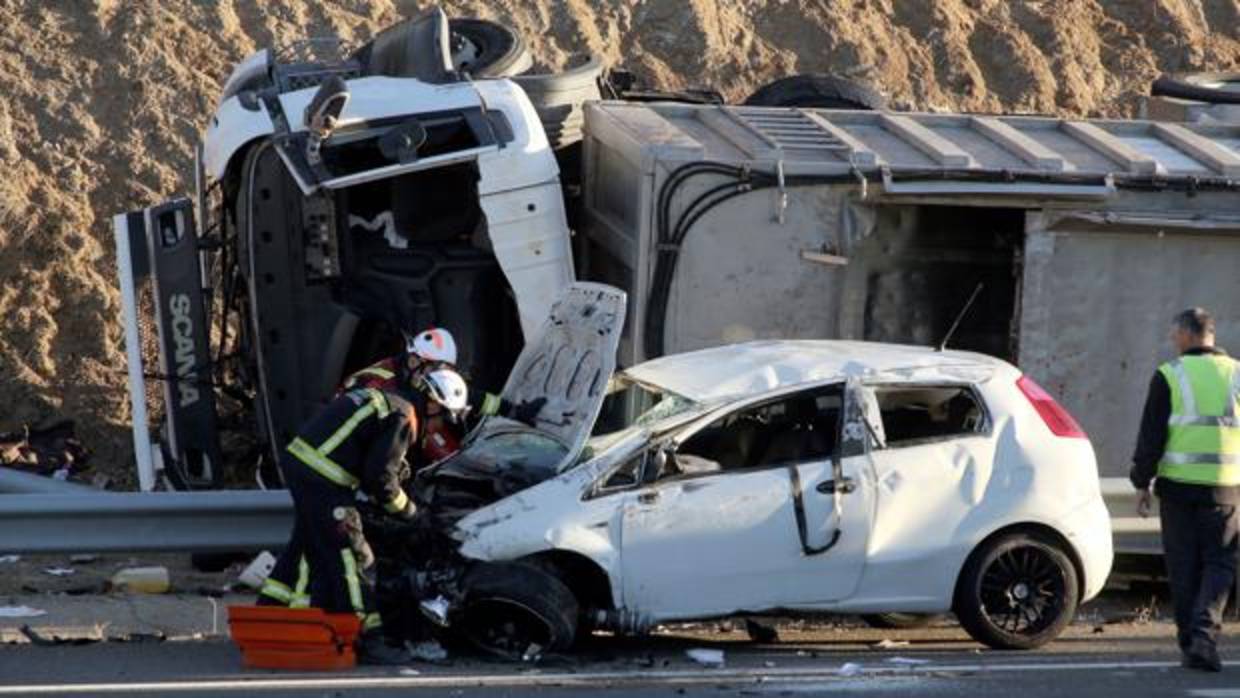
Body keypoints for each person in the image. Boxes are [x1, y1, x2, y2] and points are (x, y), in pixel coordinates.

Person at [257, 364, 469, 665]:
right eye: (443, 420)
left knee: (308, 545)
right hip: (323, 476)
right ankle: (367, 638)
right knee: (354, 556)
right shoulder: (403, 417)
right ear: (432, 403)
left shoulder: (391, 401)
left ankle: (266, 616)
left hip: (306, 466)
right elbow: (380, 480)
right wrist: (411, 514)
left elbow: (368, 460)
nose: (438, 430)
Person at [1131, 307, 1240, 672]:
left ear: (1188, 335)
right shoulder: (1237, 374)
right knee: (1220, 563)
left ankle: (1190, 640)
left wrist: (1141, 480)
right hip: (1225, 490)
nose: (1171, 340)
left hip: (1177, 489)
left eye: (1174, 334)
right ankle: (1203, 637)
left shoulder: (1169, 375)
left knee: (1183, 567)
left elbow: (1152, 435)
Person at [342, 326, 546, 431]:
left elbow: (464, 395)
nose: (444, 377)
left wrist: (511, 410)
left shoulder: (414, 378)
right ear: (416, 362)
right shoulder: (381, 386)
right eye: (439, 368)